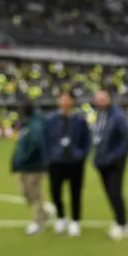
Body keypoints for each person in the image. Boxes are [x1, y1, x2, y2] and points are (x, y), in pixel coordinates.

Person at [44, 91, 90, 237]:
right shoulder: (51, 120)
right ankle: (61, 217)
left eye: (67, 99)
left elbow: (87, 139)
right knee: (55, 191)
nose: (64, 102)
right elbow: (44, 140)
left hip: (75, 161)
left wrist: (82, 155)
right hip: (56, 161)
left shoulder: (79, 120)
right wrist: (49, 157)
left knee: (75, 192)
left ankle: (75, 221)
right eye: (62, 99)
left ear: (71, 102)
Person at [92, 90, 128, 241]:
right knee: (109, 193)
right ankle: (118, 221)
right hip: (102, 162)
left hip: (114, 163)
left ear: (108, 98)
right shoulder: (100, 115)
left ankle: (123, 225)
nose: (100, 101)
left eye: (102, 98)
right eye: (97, 99)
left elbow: (127, 140)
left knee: (115, 192)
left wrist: (116, 157)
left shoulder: (117, 115)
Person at [10, 103, 55, 234]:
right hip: (25, 166)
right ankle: (45, 212)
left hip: (34, 166)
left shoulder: (35, 124)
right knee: (26, 193)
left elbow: (36, 144)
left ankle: (39, 222)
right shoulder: (28, 124)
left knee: (34, 193)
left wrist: (24, 157)